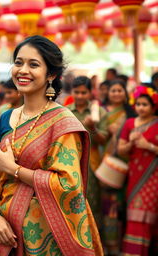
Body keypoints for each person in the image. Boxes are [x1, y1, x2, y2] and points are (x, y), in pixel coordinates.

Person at [0, 35, 103, 256]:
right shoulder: (5, 118)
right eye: (18, 62)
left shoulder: (63, 122)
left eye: (33, 64)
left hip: (47, 233)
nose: (22, 70)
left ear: (51, 74)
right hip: (3, 227)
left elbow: (68, 184)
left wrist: (14, 169)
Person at [117, 86, 158, 256]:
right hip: (134, 174)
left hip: (153, 176)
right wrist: (130, 144)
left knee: (148, 214)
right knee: (134, 212)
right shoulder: (129, 124)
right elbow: (120, 150)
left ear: (153, 106)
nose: (141, 108)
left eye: (145, 104)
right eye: (138, 104)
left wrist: (147, 146)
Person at [67, 76, 108, 229]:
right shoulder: (65, 111)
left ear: (91, 93)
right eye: (76, 92)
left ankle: (93, 242)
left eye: (83, 93)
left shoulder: (99, 112)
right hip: (69, 162)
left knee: (92, 202)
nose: (79, 96)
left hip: (92, 162)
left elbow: (103, 140)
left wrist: (92, 128)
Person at [100, 80, 136, 255]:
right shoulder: (102, 112)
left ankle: (118, 246)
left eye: (119, 90)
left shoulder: (131, 114)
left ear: (125, 93)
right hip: (102, 164)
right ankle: (105, 246)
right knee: (104, 206)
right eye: (113, 90)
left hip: (123, 165)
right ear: (108, 93)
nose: (115, 93)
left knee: (118, 206)